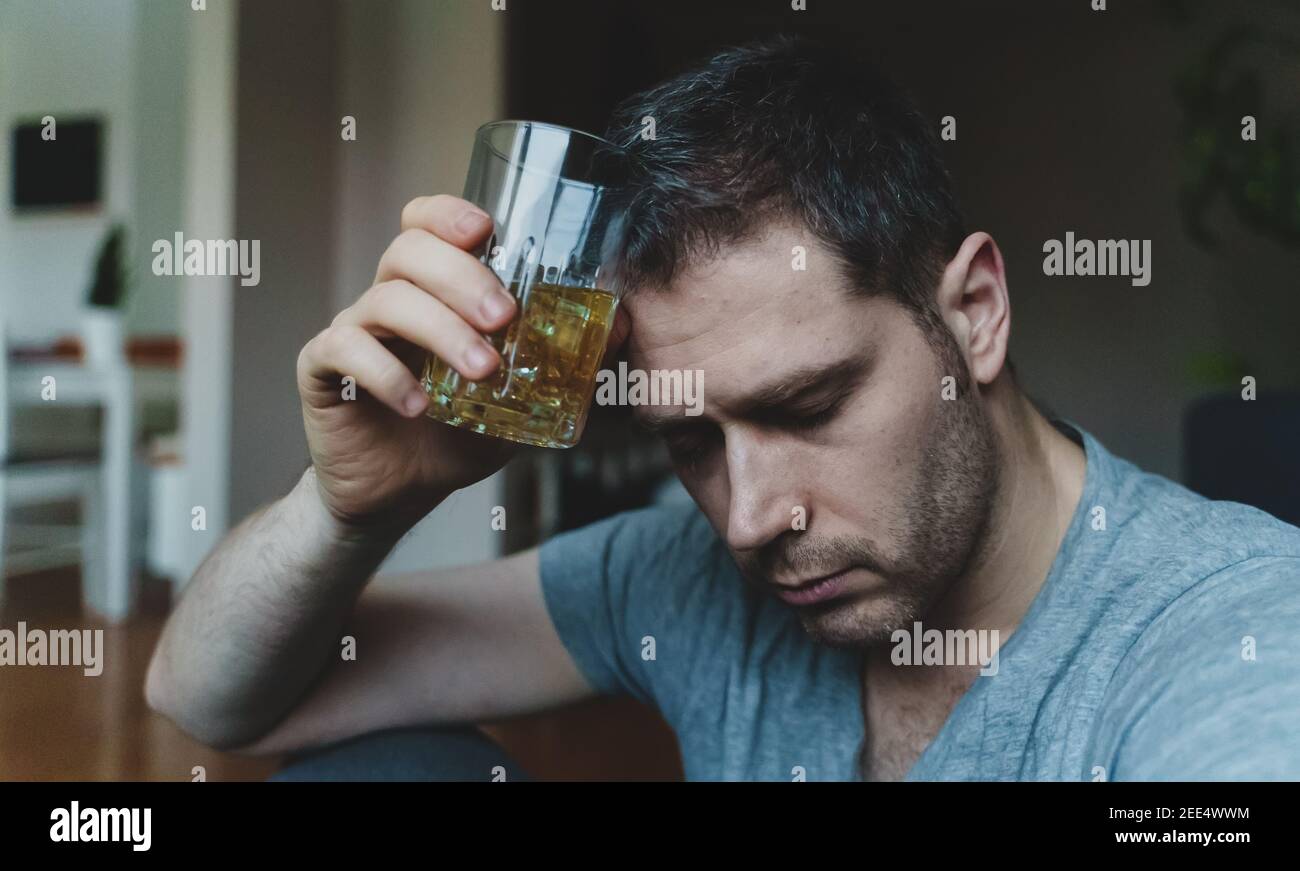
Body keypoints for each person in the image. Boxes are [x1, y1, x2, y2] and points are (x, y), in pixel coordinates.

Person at [145, 36, 1300, 781]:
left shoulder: (1224, 626)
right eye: (690, 440)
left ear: (975, 314)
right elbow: (214, 700)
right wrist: (347, 510)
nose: (749, 518)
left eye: (806, 405)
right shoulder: (686, 580)